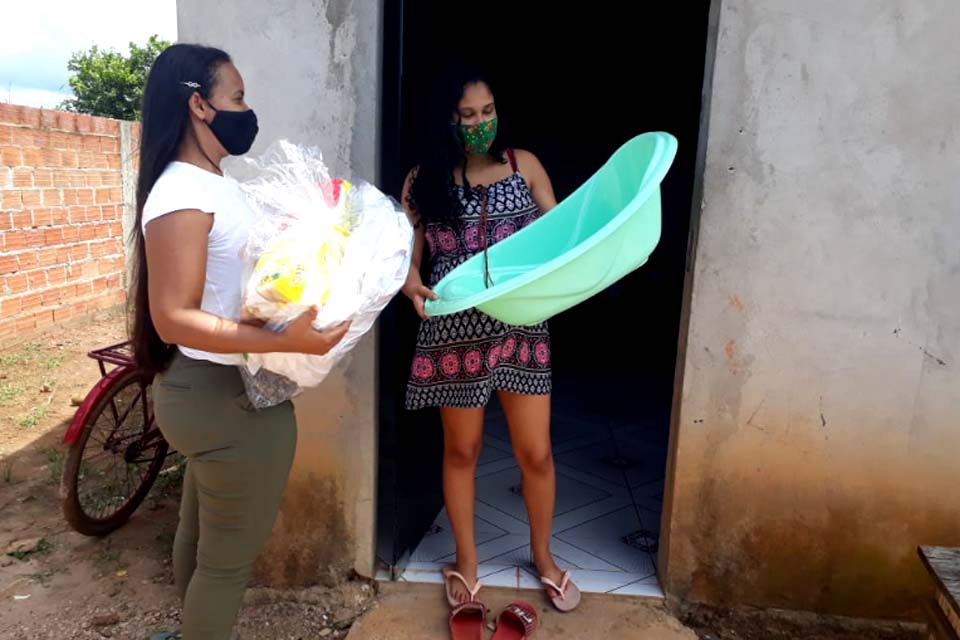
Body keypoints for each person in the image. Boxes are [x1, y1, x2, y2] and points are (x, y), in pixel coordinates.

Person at [131, 44, 349, 639]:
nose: (247, 110)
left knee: (203, 537)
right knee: (224, 565)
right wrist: (291, 343)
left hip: (214, 390)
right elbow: (173, 318)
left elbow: (233, 284)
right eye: (238, 97)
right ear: (199, 106)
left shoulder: (213, 183)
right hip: (222, 393)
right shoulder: (183, 194)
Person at [401, 64, 581, 612]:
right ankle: (467, 561)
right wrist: (411, 284)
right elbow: (407, 259)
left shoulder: (524, 165)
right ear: (448, 120)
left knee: (537, 453)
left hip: (522, 328)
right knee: (462, 450)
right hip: (455, 332)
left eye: (488, 111)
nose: (481, 123)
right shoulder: (422, 180)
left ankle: (543, 557)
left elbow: (562, 234)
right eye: (467, 115)